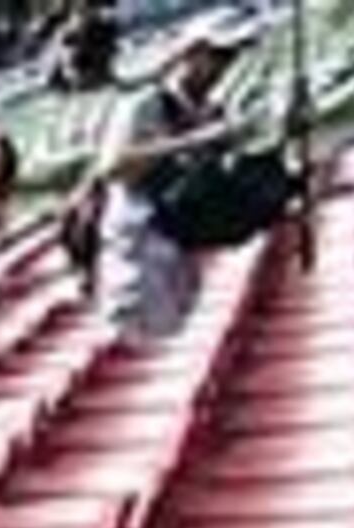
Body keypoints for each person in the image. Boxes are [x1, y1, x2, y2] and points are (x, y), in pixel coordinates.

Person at [93, 11, 256, 338]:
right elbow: (112, 166)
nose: (225, 68)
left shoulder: (207, 109)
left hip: (178, 249)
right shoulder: (144, 102)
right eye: (219, 56)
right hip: (136, 257)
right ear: (191, 53)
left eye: (231, 57)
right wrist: (194, 140)